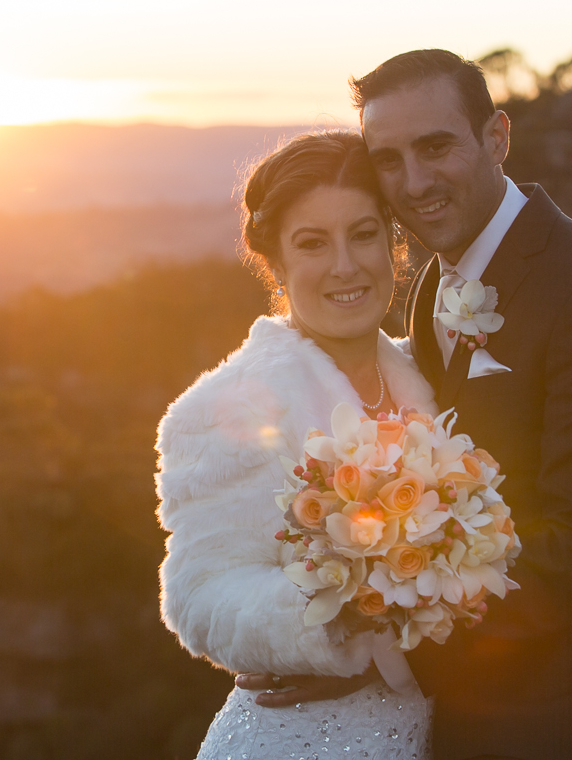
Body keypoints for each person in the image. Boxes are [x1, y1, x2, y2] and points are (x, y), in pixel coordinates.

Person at [229, 50, 572, 759]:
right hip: (468, 701)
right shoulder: (432, 290)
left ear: (497, 138)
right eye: (387, 159)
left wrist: (377, 644)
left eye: (436, 146)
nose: (414, 182)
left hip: (563, 711)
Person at [156, 131, 439, 759]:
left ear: (396, 246)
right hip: (307, 738)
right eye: (312, 243)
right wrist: (345, 625)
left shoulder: (440, 376)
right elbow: (201, 595)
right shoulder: (225, 407)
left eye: (364, 234)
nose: (345, 265)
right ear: (276, 263)